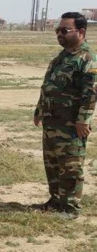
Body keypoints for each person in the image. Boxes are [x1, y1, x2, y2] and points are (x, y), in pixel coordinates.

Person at [33, 12, 96, 219]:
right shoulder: (62, 57)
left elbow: (91, 93)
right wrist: (40, 109)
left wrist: (83, 120)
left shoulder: (86, 59)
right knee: (52, 163)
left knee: (70, 166)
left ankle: (70, 208)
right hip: (52, 121)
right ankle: (56, 201)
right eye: (58, 30)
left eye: (64, 30)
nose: (59, 34)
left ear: (81, 32)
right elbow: (49, 86)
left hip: (71, 124)